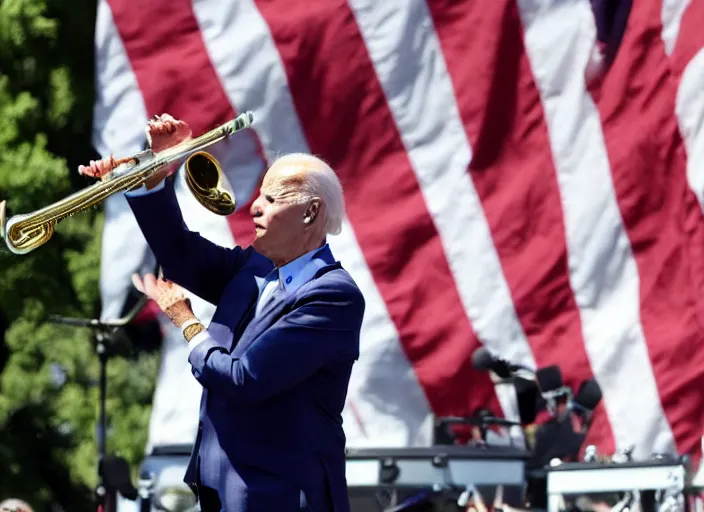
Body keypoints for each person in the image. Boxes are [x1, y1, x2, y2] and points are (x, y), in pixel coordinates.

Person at [79, 114, 365, 512]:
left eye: (271, 199)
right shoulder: (254, 270)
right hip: (223, 491)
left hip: (280, 498)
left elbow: (245, 379)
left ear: (310, 213)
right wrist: (155, 174)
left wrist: (187, 322)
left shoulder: (332, 295)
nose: (255, 209)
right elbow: (179, 254)